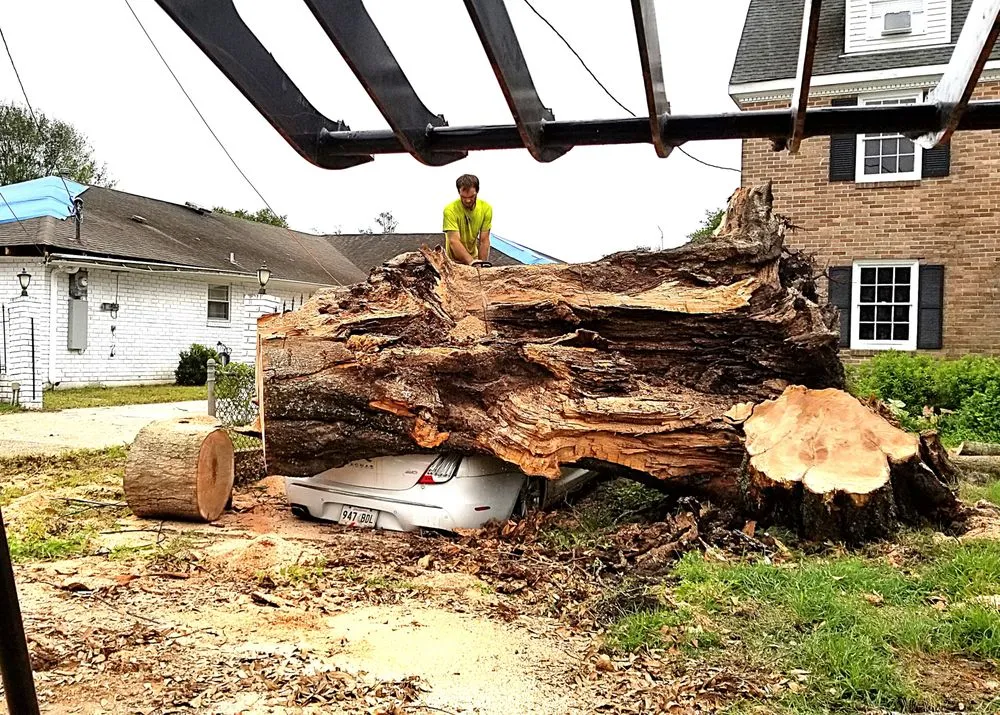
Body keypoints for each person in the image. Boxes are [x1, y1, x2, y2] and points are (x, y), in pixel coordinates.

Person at [442, 174, 492, 265]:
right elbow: (454, 241)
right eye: (464, 197)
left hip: (474, 258)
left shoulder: (486, 208)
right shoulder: (450, 210)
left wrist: (482, 264)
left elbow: (484, 240)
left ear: (477, 192)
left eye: (471, 197)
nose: (468, 201)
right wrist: (471, 262)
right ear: (459, 193)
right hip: (453, 262)